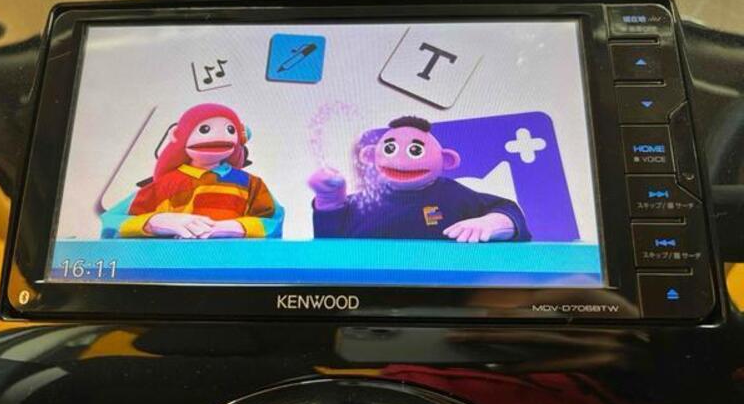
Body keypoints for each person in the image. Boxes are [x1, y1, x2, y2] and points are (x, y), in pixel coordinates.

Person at [308, 116, 530, 242]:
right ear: (370, 156)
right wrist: (330, 201)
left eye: (415, 151)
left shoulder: (452, 195)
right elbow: (329, 244)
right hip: (366, 291)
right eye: (390, 149)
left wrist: (494, 223)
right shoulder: (366, 201)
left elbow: (507, 209)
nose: (400, 159)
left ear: (446, 160)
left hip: (441, 291)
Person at [102, 103, 283, 239]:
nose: (220, 136)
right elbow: (112, 220)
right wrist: (156, 222)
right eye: (204, 129)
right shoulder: (165, 184)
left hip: (233, 263)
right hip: (177, 263)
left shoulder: (250, 183)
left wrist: (233, 227)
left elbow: (273, 221)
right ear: (178, 135)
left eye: (230, 129)